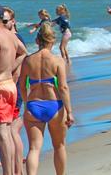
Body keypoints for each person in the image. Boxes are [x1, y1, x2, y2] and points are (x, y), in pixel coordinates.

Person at [19, 23, 74, 175]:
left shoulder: (28, 60)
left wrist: (26, 104)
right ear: (53, 41)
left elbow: (22, 86)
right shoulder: (57, 61)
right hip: (54, 106)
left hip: (33, 105)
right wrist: (69, 112)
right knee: (59, 146)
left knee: (34, 149)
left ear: (37, 41)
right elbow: (63, 88)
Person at [0, 2, 27, 175]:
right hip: (9, 85)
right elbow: (23, 52)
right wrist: (12, 71)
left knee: (1, 133)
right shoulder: (11, 35)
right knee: (6, 131)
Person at [2, 7, 25, 175]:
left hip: (13, 91)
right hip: (13, 90)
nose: (2, 24)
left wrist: (9, 84)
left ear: (13, 21)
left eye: (5, 21)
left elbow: (17, 70)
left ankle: (17, 171)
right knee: (11, 132)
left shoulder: (15, 39)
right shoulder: (10, 38)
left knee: (11, 132)